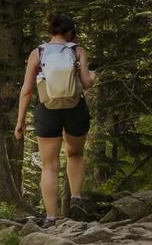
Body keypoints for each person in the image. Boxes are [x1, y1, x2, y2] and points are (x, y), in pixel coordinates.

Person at [15, 12, 98, 225]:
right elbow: (86, 82)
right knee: (75, 153)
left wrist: (21, 120)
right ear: (71, 32)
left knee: (49, 166)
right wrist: (94, 76)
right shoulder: (78, 51)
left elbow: (26, 90)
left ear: (49, 31)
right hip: (75, 107)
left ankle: (51, 218)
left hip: (47, 109)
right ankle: (76, 198)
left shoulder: (38, 53)